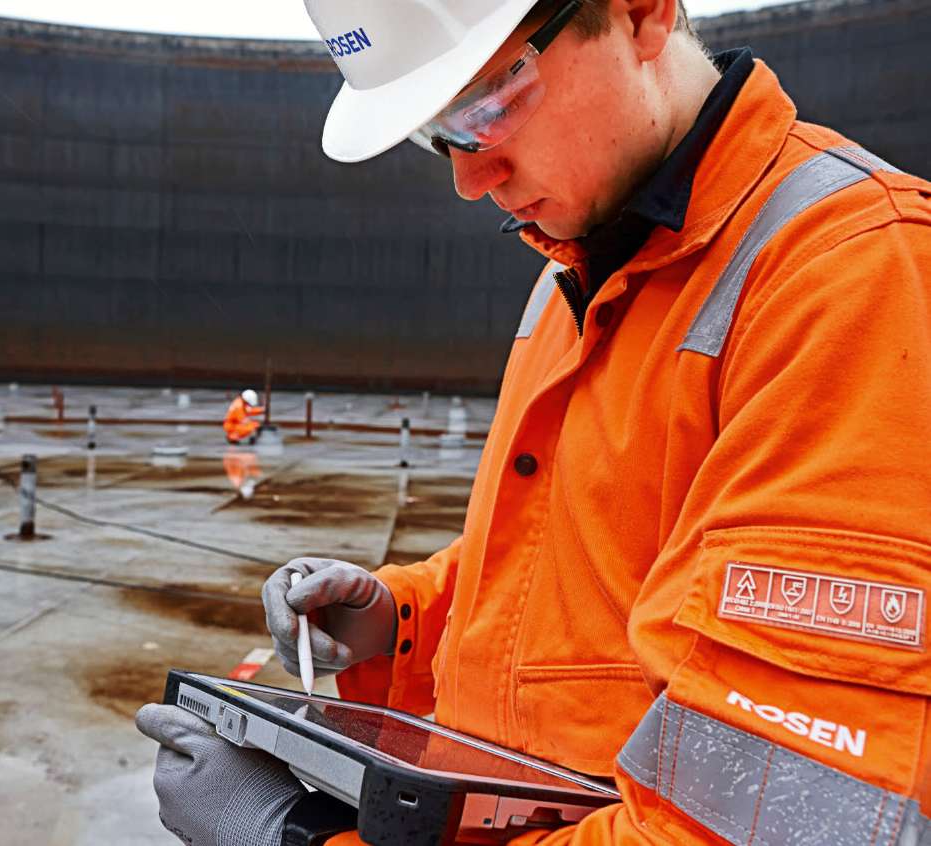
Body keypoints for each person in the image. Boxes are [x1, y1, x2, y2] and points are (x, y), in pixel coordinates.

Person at [137, 0, 931, 842]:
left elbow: (763, 823)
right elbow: (566, 566)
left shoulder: (856, 278)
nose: (469, 178)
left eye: (485, 107)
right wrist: (399, 618)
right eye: (437, 135)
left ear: (639, 15)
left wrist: (290, 838)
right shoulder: (569, 273)